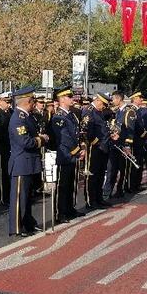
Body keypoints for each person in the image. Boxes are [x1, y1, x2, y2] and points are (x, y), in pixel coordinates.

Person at [8, 87, 49, 236]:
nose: (34, 103)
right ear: (28, 101)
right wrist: (41, 140)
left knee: (28, 197)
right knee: (20, 198)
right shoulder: (18, 118)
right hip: (21, 163)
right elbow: (25, 142)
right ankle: (18, 228)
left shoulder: (27, 117)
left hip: (29, 162)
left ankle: (28, 223)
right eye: (33, 101)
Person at [50, 86, 85, 222]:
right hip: (65, 154)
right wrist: (77, 151)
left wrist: (81, 146)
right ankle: (60, 213)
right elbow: (64, 138)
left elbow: (77, 133)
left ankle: (70, 208)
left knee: (71, 184)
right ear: (63, 99)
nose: (72, 99)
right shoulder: (58, 116)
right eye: (69, 97)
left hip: (73, 154)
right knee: (62, 185)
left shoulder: (71, 114)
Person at [83, 92, 115, 210]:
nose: (104, 108)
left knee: (101, 174)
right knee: (93, 175)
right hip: (95, 148)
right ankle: (91, 201)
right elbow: (87, 132)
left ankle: (99, 198)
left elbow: (104, 128)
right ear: (98, 101)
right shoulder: (89, 111)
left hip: (103, 147)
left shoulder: (99, 112)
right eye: (104, 105)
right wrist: (98, 143)